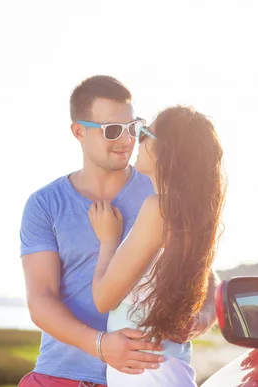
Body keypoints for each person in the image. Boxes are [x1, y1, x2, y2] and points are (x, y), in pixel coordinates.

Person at [19, 76, 218, 387]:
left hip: (146, 374)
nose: (126, 140)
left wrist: (202, 314)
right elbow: (41, 299)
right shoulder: (45, 204)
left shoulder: (160, 192)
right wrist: (100, 345)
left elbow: (203, 271)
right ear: (79, 131)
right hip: (61, 376)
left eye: (132, 128)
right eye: (112, 130)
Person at [88, 105, 226, 386]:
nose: (136, 140)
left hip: (146, 374)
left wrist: (108, 240)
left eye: (143, 133)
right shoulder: (190, 214)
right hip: (165, 371)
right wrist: (205, 314)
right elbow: (209, 276)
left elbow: (103, 298)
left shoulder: (158, 210)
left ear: (166, 149)